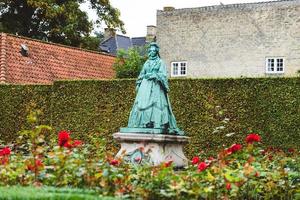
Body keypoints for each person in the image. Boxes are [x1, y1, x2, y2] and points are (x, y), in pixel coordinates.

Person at [125, 42, 183, 135]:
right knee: (141, 104)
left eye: (153, 51)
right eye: (150, 51)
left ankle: (157, 123)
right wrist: (138, 83)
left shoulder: (160, 62)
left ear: (156, 52)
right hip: (145, 86)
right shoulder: (147, 62)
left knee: (156, 104)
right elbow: (142, 73)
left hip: (156, 86)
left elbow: (163, 75)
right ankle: (142, 124)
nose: (152, 52)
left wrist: (154, 75)